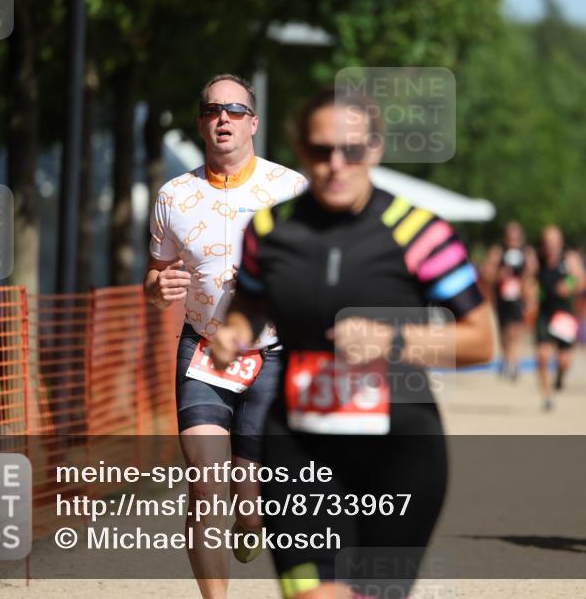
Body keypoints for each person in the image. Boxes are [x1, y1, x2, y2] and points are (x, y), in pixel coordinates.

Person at [209, 88, 493, 599]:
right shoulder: (270, 231)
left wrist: (396, 339)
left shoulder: (419, 232)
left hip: (398, 452)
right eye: (321, 151)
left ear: (375, 151)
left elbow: (481, 340)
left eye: (352, 151)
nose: (336, 165)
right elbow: (249, 305)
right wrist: (234, 333)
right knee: (315, 595)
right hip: (298, 445)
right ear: (302, 150)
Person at [145, 73, 306, 599]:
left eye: (235, 111)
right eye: (214, 110)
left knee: (249, 500)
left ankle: (252, 520)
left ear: (252, 123)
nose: (224, 119)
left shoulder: (289, 189)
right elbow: (154, 276)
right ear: (201, 123)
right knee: (205, 485)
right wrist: (158, 285)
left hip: (272, 353)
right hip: (204, 351)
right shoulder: (174, 195)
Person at [534, 225, 586, 411]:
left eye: (554, 242)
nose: (550, 246)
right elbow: (527, 280)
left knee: (564, 360)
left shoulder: (569, 258)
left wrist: (569, 284)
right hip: (545, 312)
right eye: (547, 242)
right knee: (542, 356)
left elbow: (582, 280)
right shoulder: (537, 259)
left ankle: (559, 376)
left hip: (564, 314)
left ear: (560, 242)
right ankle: (547, 397)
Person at [481, 221, 535, 381]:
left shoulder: (527, 252)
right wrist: (499, 275)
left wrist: (529, 292)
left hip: (519, 297)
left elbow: (532, 273)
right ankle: (505, 358)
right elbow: (486, 273)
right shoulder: (498, 251)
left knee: (516, 331)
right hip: (502, 297)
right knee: (504, 331)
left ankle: (514, 363)